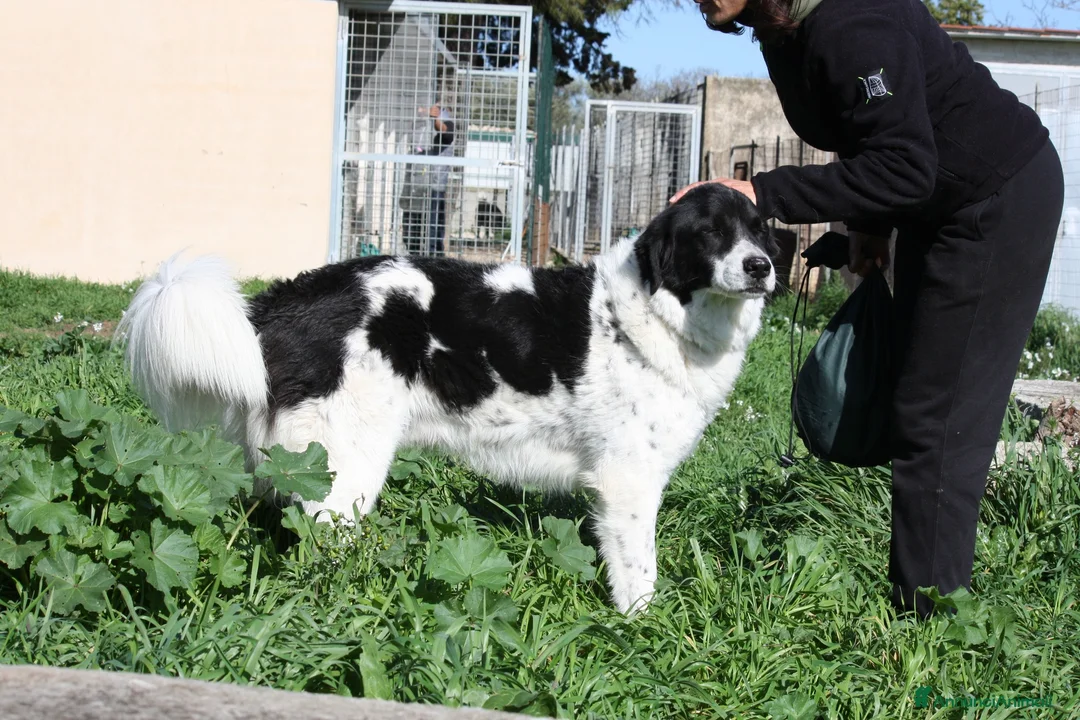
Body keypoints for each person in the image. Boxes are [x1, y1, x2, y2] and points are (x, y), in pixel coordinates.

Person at [671, 0, 1065, 619]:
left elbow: (906, 164)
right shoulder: (784, 29)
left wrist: (762, 193)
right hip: (937, 203)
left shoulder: (852, 22)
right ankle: (923, 601)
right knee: (917, 398)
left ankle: (933, 629)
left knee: (939, 417)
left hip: (999, 196)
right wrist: (869, 225)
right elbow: (871, 133)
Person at [417, 102, 456, 255]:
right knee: (431, 217)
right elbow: (419, 109)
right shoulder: (431, 126)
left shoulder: (449, 125)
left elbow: (443, 129)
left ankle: (434, 251)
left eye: (439, 109)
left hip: (437, 182)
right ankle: (432, 250)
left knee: (434, 219)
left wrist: (435, 118)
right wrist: (426, 111)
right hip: (426, 181)